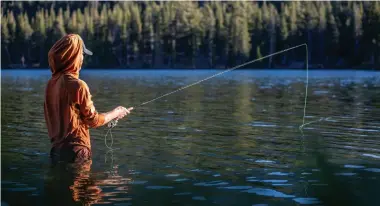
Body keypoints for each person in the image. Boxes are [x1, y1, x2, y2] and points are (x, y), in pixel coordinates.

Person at [44, 33, 133, 163]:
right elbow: (93, 120)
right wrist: (116, 113)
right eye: (81, 54)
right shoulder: (78, 85)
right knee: (85, 183)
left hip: (56, 152)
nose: (82, 59)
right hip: (77, 151)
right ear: (72, 55)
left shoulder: (50, 84)